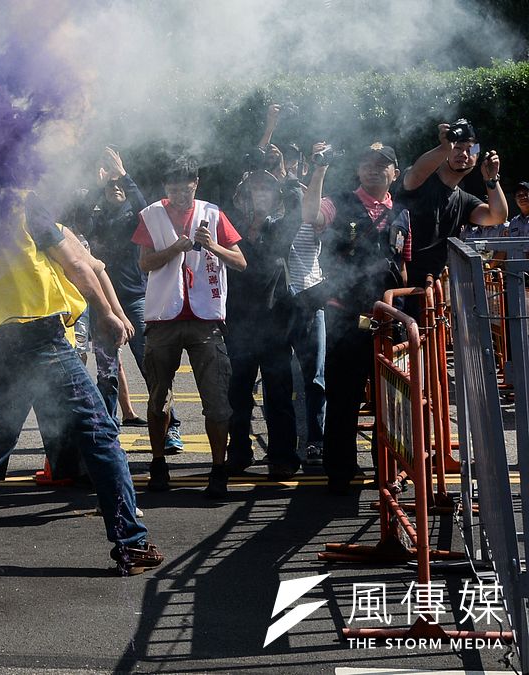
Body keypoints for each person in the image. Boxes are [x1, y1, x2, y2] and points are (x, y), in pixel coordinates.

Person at [0, 187, 164, 577]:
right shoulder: (22, 204)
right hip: (40, 337)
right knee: (100, 431)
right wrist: (106, 312)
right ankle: (130, 541)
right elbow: (76, 265)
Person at [133, 156, 246, 499]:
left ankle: (217, 469)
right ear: (165, 186)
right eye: (173, 184)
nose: (180, 190)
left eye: (187, 183)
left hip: (205, 319)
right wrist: (174, 248)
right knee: (158, 398)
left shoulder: (213, 213)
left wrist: (211, 245)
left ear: (196, 183)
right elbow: (145, 264)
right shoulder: (151, 214)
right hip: (164, 316)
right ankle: (158, 464)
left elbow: (240, 262)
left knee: (215, 399)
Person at [304, 142, 411, 495]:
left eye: (383, 165)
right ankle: (339, 473)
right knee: (343, 399)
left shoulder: (403, 213)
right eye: (367, 163)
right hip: (346, 318)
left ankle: (389, 473)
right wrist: (318, 169)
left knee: (391, 401)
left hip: (389, 320)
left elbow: (404, 267)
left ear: (395, 173)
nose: (374, 169)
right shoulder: (339, 201)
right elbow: (311, 217)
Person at [72, 146, 184, 445]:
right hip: (101, 304)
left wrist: (124, 175)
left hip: (136, 300)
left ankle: (171, 426)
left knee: (153, 368)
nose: (116, 189)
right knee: (106, 372)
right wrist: (99, 187)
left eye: (120, 185)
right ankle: (109, 432)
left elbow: (150, 209)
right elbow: (80, 220)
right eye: (112, 186)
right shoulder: (95, 219)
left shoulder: (137, 218)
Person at [223, 168, 301, 481]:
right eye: (254, 190)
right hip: (237, 323)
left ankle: (283, 457)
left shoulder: (281, 228)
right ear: (242, 198)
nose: (260, 195)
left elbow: (299, 207)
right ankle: (239, 452)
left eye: (267, 190)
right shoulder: (229, 229)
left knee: (279, 394)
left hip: (275, 325)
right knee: (236, 394)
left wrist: (289, 180)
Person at [397, 121, 506, 285]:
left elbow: (497, 216)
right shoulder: (421, 179)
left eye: (470, 150)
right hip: (397, 279)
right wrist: (444, 148)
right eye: (457, 148)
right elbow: (416, 172)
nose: (464, 154)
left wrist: (491, 180)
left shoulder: (465, 200)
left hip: (430, 287)